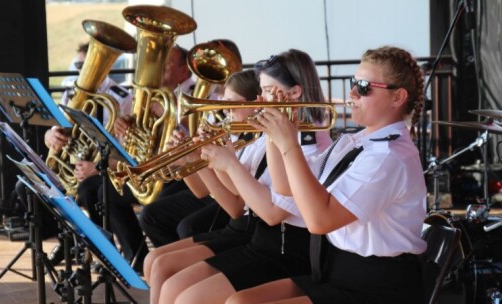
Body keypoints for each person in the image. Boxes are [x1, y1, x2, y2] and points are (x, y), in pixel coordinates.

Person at [227, 45, 427, 304]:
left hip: (377, 287)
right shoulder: (356, 141)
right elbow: (287, 189)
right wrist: (275, 134)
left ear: (398, 97)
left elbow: (320, 221)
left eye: (364, 86)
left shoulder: (389, 157)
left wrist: (289, 144)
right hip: (336, 270)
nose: (352, 92)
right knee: (239, 301)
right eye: (354, 82)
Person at [157, 49, 332, 304]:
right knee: (176, 285)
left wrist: (228, 164)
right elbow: (239, 199)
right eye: (261, 92)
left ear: (294, 94)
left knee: (188, 297)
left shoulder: (311, 145)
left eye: (269, 92)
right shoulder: (272, 137)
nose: (261, 101)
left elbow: (271, 212)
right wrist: (206, 160)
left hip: (287, 249)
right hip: (264, 241)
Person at [142, 69, 264, 303]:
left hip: (247, 229)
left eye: (232, 104)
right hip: (236, 225)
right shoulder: (243, 139)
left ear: (255, 103)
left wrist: (213, 160)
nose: (225, 111)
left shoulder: (253, 142)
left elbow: (234, 205)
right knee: (154, 260)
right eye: (224, 104)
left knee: (163, 265)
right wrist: (188, 159)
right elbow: (201, 191)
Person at [136, 41, 243, 248]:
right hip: (211, 185)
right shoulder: (213, 109)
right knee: (151, 215)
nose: (212, 72)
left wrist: (192, 155)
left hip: (231, 190)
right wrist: (185, 156)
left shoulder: (228, 107)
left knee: (188, 226)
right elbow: (201, 190)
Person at [45, 41, 134, 266]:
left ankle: (104, 248)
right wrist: (51, 135)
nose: (81, 70)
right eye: (79, 64)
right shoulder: (70, 94)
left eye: (87, 65)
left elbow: (129, 151)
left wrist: (96, 168)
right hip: (77, 166)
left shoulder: (121, 97)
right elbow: (57, 129)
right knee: (43, 186)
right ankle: (71, 242)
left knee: (88, 189)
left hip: (108, 169)